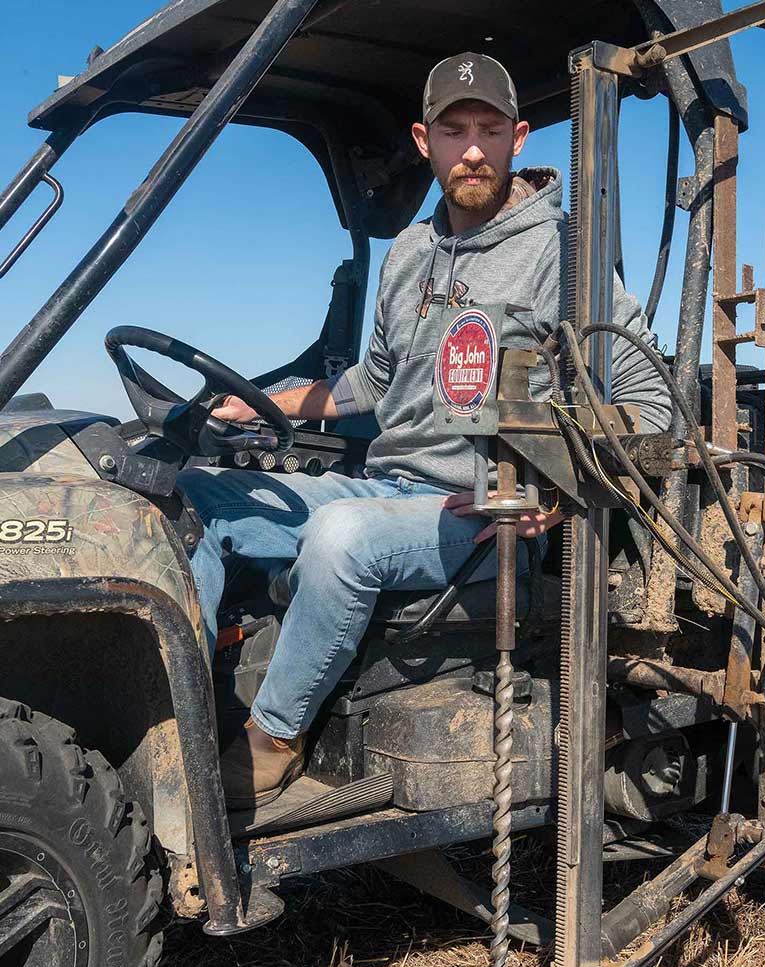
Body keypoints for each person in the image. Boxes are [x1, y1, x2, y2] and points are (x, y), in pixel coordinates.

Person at [179, 52, 672, 809]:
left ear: (520, 138)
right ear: (423, 140)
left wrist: (561, 479)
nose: (472, 148)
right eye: (454, 130)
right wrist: (260, 404)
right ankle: (177, 711)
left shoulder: (564, 254)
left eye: (489, 129)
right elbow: (373, 383)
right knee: (205, 498)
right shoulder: (408, 254)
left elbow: (648, 401)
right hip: (388, 488)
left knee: (340, 538)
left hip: (480, 515)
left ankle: (273, 739)